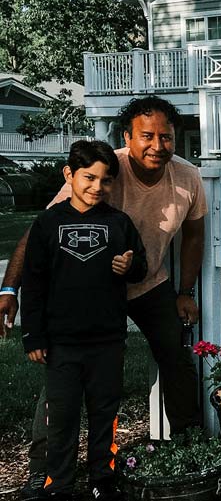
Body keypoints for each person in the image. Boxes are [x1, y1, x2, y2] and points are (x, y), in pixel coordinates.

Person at [0, 96, 207, 500]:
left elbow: (194, 235)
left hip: (148, 284)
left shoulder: (188, 178)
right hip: (90, 297)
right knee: (60, 380)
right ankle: (43, 472)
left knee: (175, 357)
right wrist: (10, 289)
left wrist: (185, 291)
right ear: (127, 137)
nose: (157, 145)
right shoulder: (103, 169)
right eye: (146, 136)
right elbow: (38, 235)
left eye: (166, 137)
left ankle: (191, 449)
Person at [22, 140, 147, 500]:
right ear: (69, 175)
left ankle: (100, 479)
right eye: (88, 178)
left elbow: (140, 264)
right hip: (61, 343)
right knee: (60, 418)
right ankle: (58, 483)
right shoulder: (47, 223)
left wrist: (131, 266)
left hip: (107, 340)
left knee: (104, 414)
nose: (97, 187)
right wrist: (33, 336)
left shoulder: (118, 222)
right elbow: (33, 284)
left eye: (106, 180)